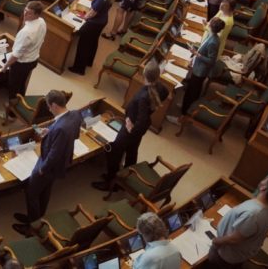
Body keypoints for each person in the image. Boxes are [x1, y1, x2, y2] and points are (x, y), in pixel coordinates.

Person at [13, 90, 82, 231]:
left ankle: (33, 226)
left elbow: (54, 155)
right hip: (59, 164)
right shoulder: (75, 114)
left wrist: (41, 169)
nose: (49, 109)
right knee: (45, 189)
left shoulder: (61, 129)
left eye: (49, 106)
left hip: (48, 166)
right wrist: (50, 131)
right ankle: (39, 216)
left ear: (55, 105)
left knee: (31, 192)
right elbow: (75, 134)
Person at [93, 60, 167, 190]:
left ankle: (111, 182)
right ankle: (125, 178)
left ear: (145, 75)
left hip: (131, 130)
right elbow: (165, 93)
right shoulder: (160, 87)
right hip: (139, 130)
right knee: (132, 152)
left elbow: (142, 119)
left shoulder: (144, 96)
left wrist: (131, 128)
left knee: (114, 152)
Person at [206, 175, 268, 269]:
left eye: (266, 179)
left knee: (212, 263)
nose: (263, 179)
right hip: (247, 247)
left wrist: (217, 241)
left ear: (264, 188)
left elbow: (234, 239)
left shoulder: (252, 214)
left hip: (226, 254)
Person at [68, 0, 120, 75]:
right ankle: (88, 62)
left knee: (84, 44)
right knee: (93, 42)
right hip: (101, 21)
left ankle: (79, 68)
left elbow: (92, 13)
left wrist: (83, 18)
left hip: (94, 23)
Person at [0, 0, 47, 104]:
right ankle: (21, 102)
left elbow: (16, 55)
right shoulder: (42, 22)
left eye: (29, 13)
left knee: (13, 88)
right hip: (33, 59)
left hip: (21, 64)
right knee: (21, 84)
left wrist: (5, 67)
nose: (25, 14)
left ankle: (12, 114)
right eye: (25, 10)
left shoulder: (27, 32)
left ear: (37, 14)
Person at [180, 17, 224, 115]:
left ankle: (184, 113)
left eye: (210, 22)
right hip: (198, 67)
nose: (208, 22)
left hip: (200, 71)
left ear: (212, 26)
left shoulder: (213, 41)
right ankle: (185, 107)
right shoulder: (212, 35)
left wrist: (196, 54)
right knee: (191, 89)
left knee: (192, 92)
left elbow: (211, 61)